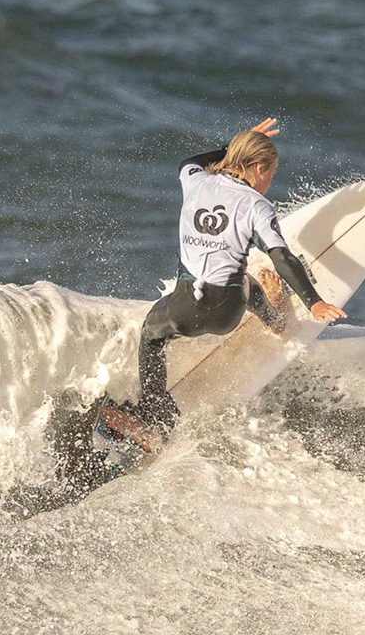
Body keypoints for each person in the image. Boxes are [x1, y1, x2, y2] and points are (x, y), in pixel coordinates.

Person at [113, 118, 346, 445]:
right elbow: (282, 257)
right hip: (227, 312)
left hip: (184, 309)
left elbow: (190, 162)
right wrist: (314, 302)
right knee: (247, 283)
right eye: (271, 173)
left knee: (152, 333)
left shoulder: (194, 181)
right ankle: (275, 319)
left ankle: (153, 419)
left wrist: (230, 148)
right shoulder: (257, 206)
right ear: (257, 167)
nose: (269, 182)